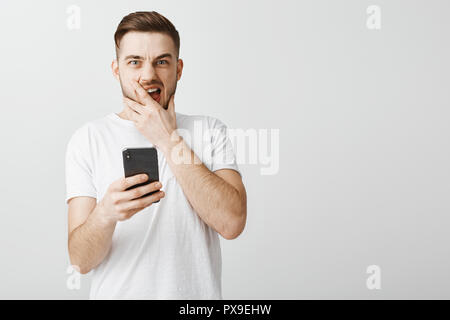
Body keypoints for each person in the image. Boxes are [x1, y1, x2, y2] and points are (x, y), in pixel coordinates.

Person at [65, 11, 247, 299]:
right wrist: (105, 214)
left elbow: (232, 223)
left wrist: (168, 139)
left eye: (161, 62)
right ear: (117, 70)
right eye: (134, 62)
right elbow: (80, 261)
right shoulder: (88, 139)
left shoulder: (210, 131)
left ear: (179, 69)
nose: (148, 75)